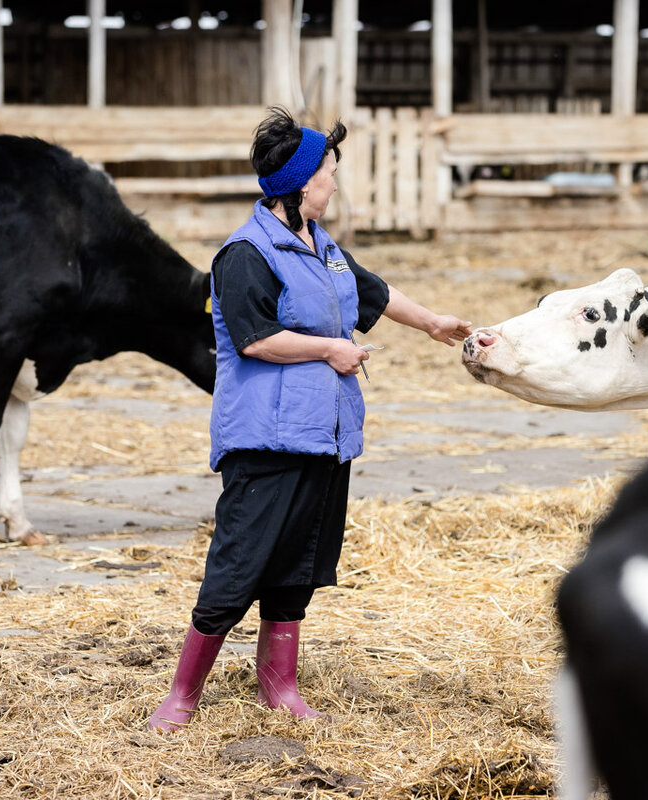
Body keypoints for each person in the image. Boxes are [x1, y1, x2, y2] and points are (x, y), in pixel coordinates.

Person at [148, 107, 472, 732]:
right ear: (299, 185)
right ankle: (182, 695)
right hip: (265, 438)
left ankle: (280, 686)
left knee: (299, 562)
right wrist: (329, 349)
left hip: (324, 433)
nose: (334, 184)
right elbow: (254, 339)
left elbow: (374, 292)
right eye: (329, 173)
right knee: (238, 564)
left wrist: (433, 322)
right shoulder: (244, 254)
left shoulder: (322, 247)